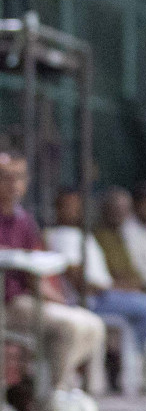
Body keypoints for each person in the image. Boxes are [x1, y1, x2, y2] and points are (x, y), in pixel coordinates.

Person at [0, 154, 106, 394]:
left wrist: (54, 297)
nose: (13, 184)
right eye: (5, 177)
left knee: (91, 324)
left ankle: (57, 393)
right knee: (68, 327)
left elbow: (33, 272)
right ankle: (50, 398)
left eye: (18, 177)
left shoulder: (23, 219)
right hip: (7, 303)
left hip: (22, 302)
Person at [93, 187, 146, 358]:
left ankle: (131, 354)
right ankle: (132, 354)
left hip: (134, 291)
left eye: (123, 209)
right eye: (115, 209)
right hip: (108, 295)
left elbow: (133, 272)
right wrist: (134, 286)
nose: (120, 213)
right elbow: (111, 277)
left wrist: (140, 285)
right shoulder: (98, 235)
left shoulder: (121, 236)